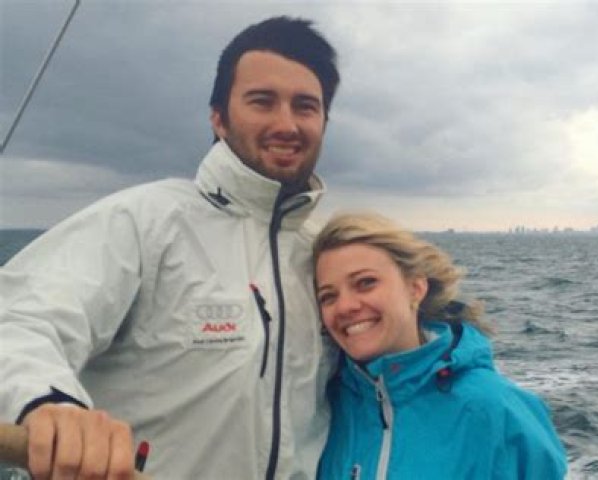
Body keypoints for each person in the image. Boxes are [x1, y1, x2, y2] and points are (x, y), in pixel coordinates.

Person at [0, 16, 340, 479]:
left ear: (323, 121)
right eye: (262, 101)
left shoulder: (323, 256)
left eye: (305, 106)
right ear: (218, 118)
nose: (286, 123)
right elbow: (20, 317)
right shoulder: (145, 221)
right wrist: (49, 402)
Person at [313, 212, 568, 479]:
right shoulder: (320, 409)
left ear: (415, 288)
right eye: (328, 296)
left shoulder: (498, 412)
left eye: (366, 283)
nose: (345, 306)